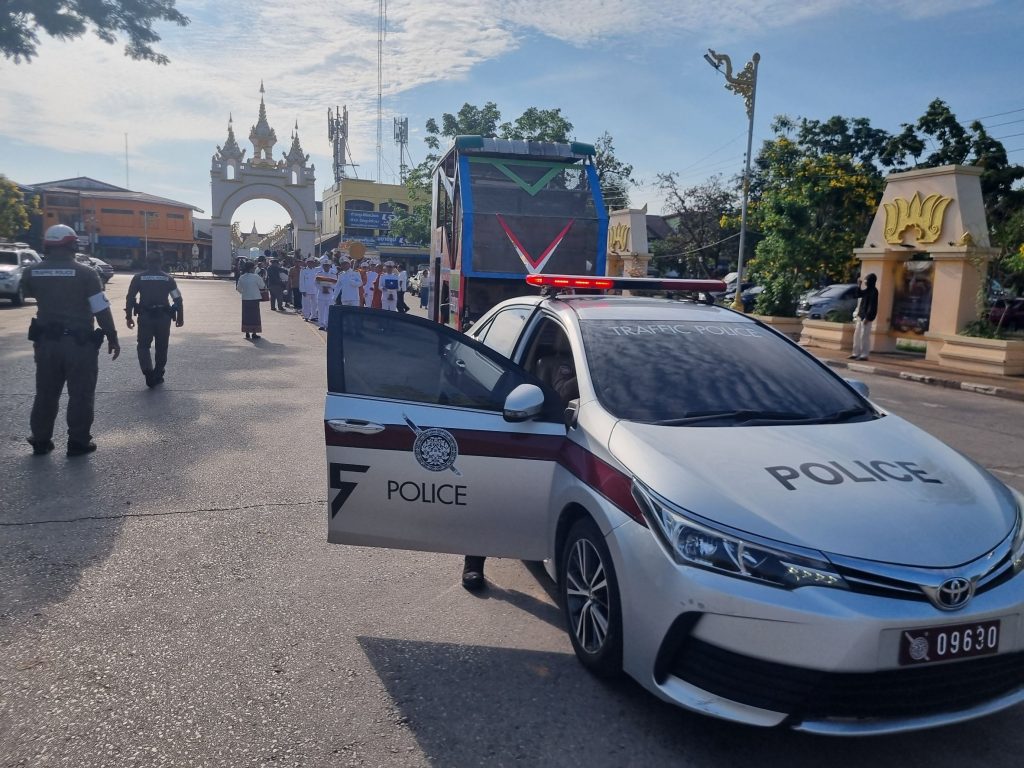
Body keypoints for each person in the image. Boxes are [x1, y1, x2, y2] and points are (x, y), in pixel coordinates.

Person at [21, 224, 121, 457]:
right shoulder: (86, 273)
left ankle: (40, 440)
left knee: (45, 392)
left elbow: (29, 293)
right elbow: (100, 309)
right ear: (72, 245)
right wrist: (112, 336)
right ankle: (78, 442)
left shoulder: (31, 272)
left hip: (46, 344)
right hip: (79, 344)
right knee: (81, 394)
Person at [124, 251, 184, 388]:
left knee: (143, 346)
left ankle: (148, 372)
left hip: (145, 317)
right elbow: (178, 299)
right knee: (162, 347)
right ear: (161, 262)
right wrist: (180, 317)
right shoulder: (168, 279)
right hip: (163, 318)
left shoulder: (138, 278)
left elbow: (130, 298)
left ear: (147, 262)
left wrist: (128, 316)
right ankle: (158, 373)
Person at [850, 273, 878, 361]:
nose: (865, 282)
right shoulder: (867, 290)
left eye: (867, 281)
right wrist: (859, 285)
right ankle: (855, 353)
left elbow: (872, 306)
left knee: (864, 336)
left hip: (867, 318)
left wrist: (868, 317)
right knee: (857, 335)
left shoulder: (874, 291)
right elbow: (858, 295)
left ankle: (864, 355)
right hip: (860, 315)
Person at [236, 261, 266, 340]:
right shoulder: (256, 277)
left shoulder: (242, 277)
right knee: (255, 316)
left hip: (245, 298)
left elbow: (238, 288)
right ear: (251, 268)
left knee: (246, 316)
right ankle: (254, 333)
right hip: (255, 298)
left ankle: (247, 332)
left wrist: (244, 292)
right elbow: (262, 286)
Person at [314, 257, 338, 331]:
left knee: (328, 311)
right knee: (321, 310)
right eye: (325, 265)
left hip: (330, 294)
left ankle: (327, 324)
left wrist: (328, 287)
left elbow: (335, 284)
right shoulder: (319, 274)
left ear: (330, 266)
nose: (326, 267)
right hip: (321, 294)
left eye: (327, 265)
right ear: (323, 266)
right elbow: (316, 283)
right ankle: (321, 324)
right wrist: (322, 288)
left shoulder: (333, 274)